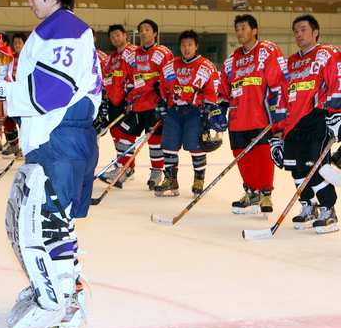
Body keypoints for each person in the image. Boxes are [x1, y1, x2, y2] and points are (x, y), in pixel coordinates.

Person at [0, 0, 101, 328]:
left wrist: (1, 93)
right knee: (54, 225)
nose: (29, 1)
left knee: (47, 226)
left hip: (61, 140)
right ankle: (61, 293)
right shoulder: (55, 29)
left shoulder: (65, 28)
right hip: (60, 140)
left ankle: (65, 307)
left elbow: (52, 90)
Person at [272, 15, 341, 233]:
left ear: (315, 32)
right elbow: (282, 98)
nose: (299, 34)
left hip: (317, 118)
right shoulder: (289, 62)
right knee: (295, 168)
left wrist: (336, 114)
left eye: (303, 29)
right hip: (293, 123)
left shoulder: (327, 53)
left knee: (315, 165)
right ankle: (308, 206)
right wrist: (278, 132)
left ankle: (328, 210)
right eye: (295, 31)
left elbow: (336, 83)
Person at [218, 14, 288, 216]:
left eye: (243, 28)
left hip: (262, 115)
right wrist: (219, 110)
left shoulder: (267, 51)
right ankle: (251, 192)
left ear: (254, 30)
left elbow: (279, 83)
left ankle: (266, 192)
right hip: (238, 118)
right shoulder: (231, 59)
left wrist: (278, 112)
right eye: (237, 29)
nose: (240, 32)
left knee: (263, 153)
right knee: (241, 154)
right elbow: (223, 89)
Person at [155, 30, 224, 197]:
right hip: (174, 111)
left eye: (190, 45)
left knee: (196, 147)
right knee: (169, 146)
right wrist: (162, 104)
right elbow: (163, 87)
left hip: (196, 111)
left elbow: (213, 90)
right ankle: (171, 180)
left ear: (196, 46)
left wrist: (208, 111)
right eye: (183, 45)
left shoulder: (206, 66)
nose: (186, 48)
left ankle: (199, 179)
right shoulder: (170, 65)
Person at [116, 19, 174, 189]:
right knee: (125, 136)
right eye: (141, 30)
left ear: (155, 33)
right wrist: (129, 100)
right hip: (136, 104)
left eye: (147, 29)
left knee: (154, 140)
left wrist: (165, 98)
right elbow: (129, 78)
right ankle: (124, 168)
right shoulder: (132, 54)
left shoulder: (163, 53)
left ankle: (156, 172)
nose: (143, 33)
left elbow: (169, 77)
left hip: (154, 104)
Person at [99, 24, 137, 185]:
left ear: (125, 35)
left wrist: (131, 98)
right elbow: (107, 78)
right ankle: (124, 164)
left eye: (117, 35)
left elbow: (136, 75)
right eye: (112, 36)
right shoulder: (111, 58)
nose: (115, 38)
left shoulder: (133, 52)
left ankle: (126, 167)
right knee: (116, 134)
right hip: (114, 101)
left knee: (125, 135)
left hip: (127, 100)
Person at [1, 32, 27, 158]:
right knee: (8, 121)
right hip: (11, 94)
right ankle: (14, 146)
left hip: (24, 96)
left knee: (24, 123)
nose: (16, 45)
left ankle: (27, 148)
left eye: (19, 42)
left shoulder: (29, 57)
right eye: (15, 42)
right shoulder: (10, 58)